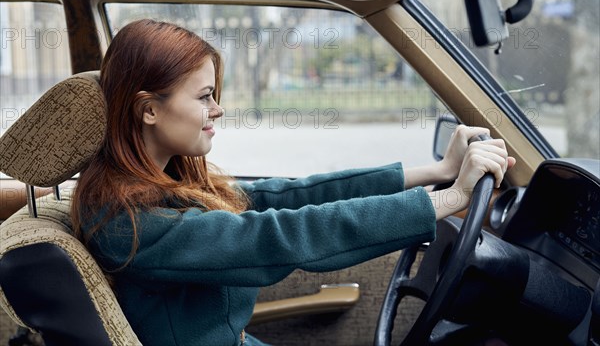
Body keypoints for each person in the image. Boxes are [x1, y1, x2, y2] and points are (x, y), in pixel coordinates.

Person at [71, 19, 516, 346]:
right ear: (148, 110)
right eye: (204, 96)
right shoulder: (126, 221)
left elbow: (279, 197)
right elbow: (278, 236)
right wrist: (452, 198)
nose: (217, 109)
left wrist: (432, 174)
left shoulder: (157, 184)